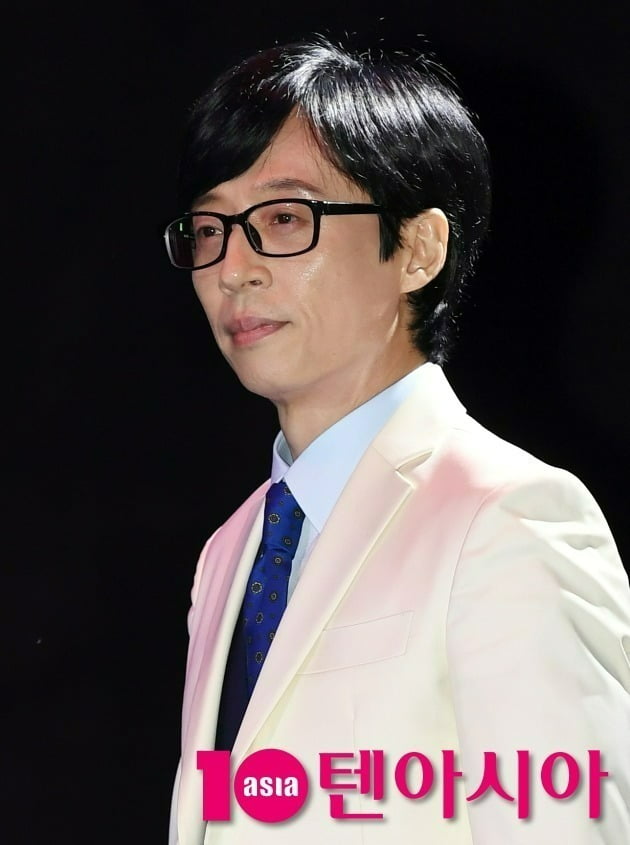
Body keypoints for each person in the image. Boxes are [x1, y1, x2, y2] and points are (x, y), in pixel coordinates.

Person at [163, 34, 630, 845]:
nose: (233, 267)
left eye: (283, 217)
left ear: (417, 248)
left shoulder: (509, 518)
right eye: (209, 229)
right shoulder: (230, 552)